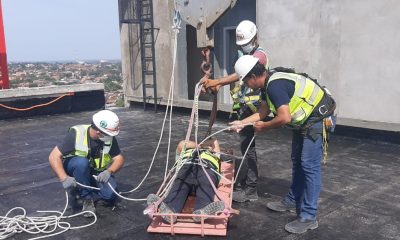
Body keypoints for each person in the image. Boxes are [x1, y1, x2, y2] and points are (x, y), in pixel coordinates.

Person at [230, 55, 335, 234]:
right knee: (297, 161)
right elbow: (263, 111)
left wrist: (265, 127)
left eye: (246, 81)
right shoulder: (267, 84)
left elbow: (284, 117)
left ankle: (309, 217)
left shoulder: (274, 86)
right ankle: (292, 200)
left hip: (318, 118)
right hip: (305, 121)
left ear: (253, 77)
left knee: (309, 166)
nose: (246, 85)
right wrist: (242, 123)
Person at [203, 20, 269, 202]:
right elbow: (237, 79)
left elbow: (240, 75)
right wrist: (219, 86)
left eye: (246, 42)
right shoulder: (241, 54)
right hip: (244, 108)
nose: (244, 46)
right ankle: (249, 182)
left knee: (248, 148)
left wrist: (217, 82)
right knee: (245, 147)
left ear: (255, 38)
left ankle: (251, 189)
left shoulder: (260, 57)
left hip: (255, 109)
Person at [49, 110, 125, 217]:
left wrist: (109, 171)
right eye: (109, 134)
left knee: (110, 196)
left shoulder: (108, 138)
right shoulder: (77, 134)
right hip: (76, 167)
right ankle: (87, 199)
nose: (111, 137)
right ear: (99, 132)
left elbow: (119, 158)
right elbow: (54, 156)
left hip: (95, 172)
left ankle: (83, 186)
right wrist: (64, 178)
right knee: (81, 163)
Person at [147, 138, 225, 223]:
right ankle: (170, 210)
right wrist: (201, 146)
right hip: (186, 168)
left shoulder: (214, 154)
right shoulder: (183, 152)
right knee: (179, 185)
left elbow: (214, 141)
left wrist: (205, 147)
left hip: (206, 169)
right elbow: (182, 143)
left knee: (206, 184)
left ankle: (202, 210)